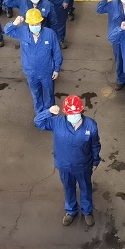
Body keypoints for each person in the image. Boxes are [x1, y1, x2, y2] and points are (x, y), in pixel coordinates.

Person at [34, 95, 101, 227]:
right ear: (65, 112)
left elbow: (95, 145)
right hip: (64, 165)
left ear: (81, 111)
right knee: (68, 188)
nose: (73, 116)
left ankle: (87, 211)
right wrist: (48, 112)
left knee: (86, 188)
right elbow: (38, 122)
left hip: (83, 166)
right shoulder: (57, 122)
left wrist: (95, 161)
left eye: (75, 113)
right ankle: (71, 211)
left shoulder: (91, 125)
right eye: (70, 113)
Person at [4, 10, 63, 116]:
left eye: (37, 24)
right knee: (36, 94)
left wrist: (56, 69)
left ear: (41, 22)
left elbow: (57, 52)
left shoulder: (50, 34)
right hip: (31, 72)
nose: (35, 26)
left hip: (47, 72)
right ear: (28, 24)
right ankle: (40, 114)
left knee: (49, 94)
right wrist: (14, 23)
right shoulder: (22, 32)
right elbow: (7, 31)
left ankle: (50, 113)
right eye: (32, 24)